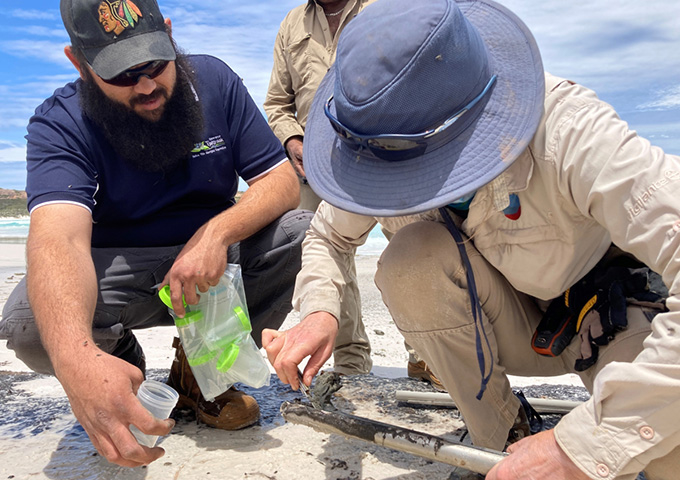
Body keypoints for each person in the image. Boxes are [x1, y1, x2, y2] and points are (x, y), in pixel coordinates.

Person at [262, 0, 680, 478]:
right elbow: (328, 234)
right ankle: (506, 435)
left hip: (605, 319)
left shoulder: (570, 130)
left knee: (668, 450)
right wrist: (319, 309)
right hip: (508, 327)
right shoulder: (376, 146)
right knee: (410, 260)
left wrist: (581, 448)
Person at [0, 0, 312, 468]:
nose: (146, 86)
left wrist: (215, 235)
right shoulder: (59, 122)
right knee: (31, 325)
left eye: (154, 64)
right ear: (78, 63)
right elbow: (58, 241)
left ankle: (196, 374)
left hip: (211, 266)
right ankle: (122, 368)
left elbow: (283, 183)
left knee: (304, 232)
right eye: (121, 74)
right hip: (116, 269)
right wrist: (78, 361)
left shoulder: (215, 81)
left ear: (169, 33)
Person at [264, 0, 443, 387]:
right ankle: (350, 362)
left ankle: (427, 356)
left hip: (387, 157)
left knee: (414, 246)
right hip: (317, 168)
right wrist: (292, 138)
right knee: (325, 250)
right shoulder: (291, 25)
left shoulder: (386, 8)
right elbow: (277, 104)